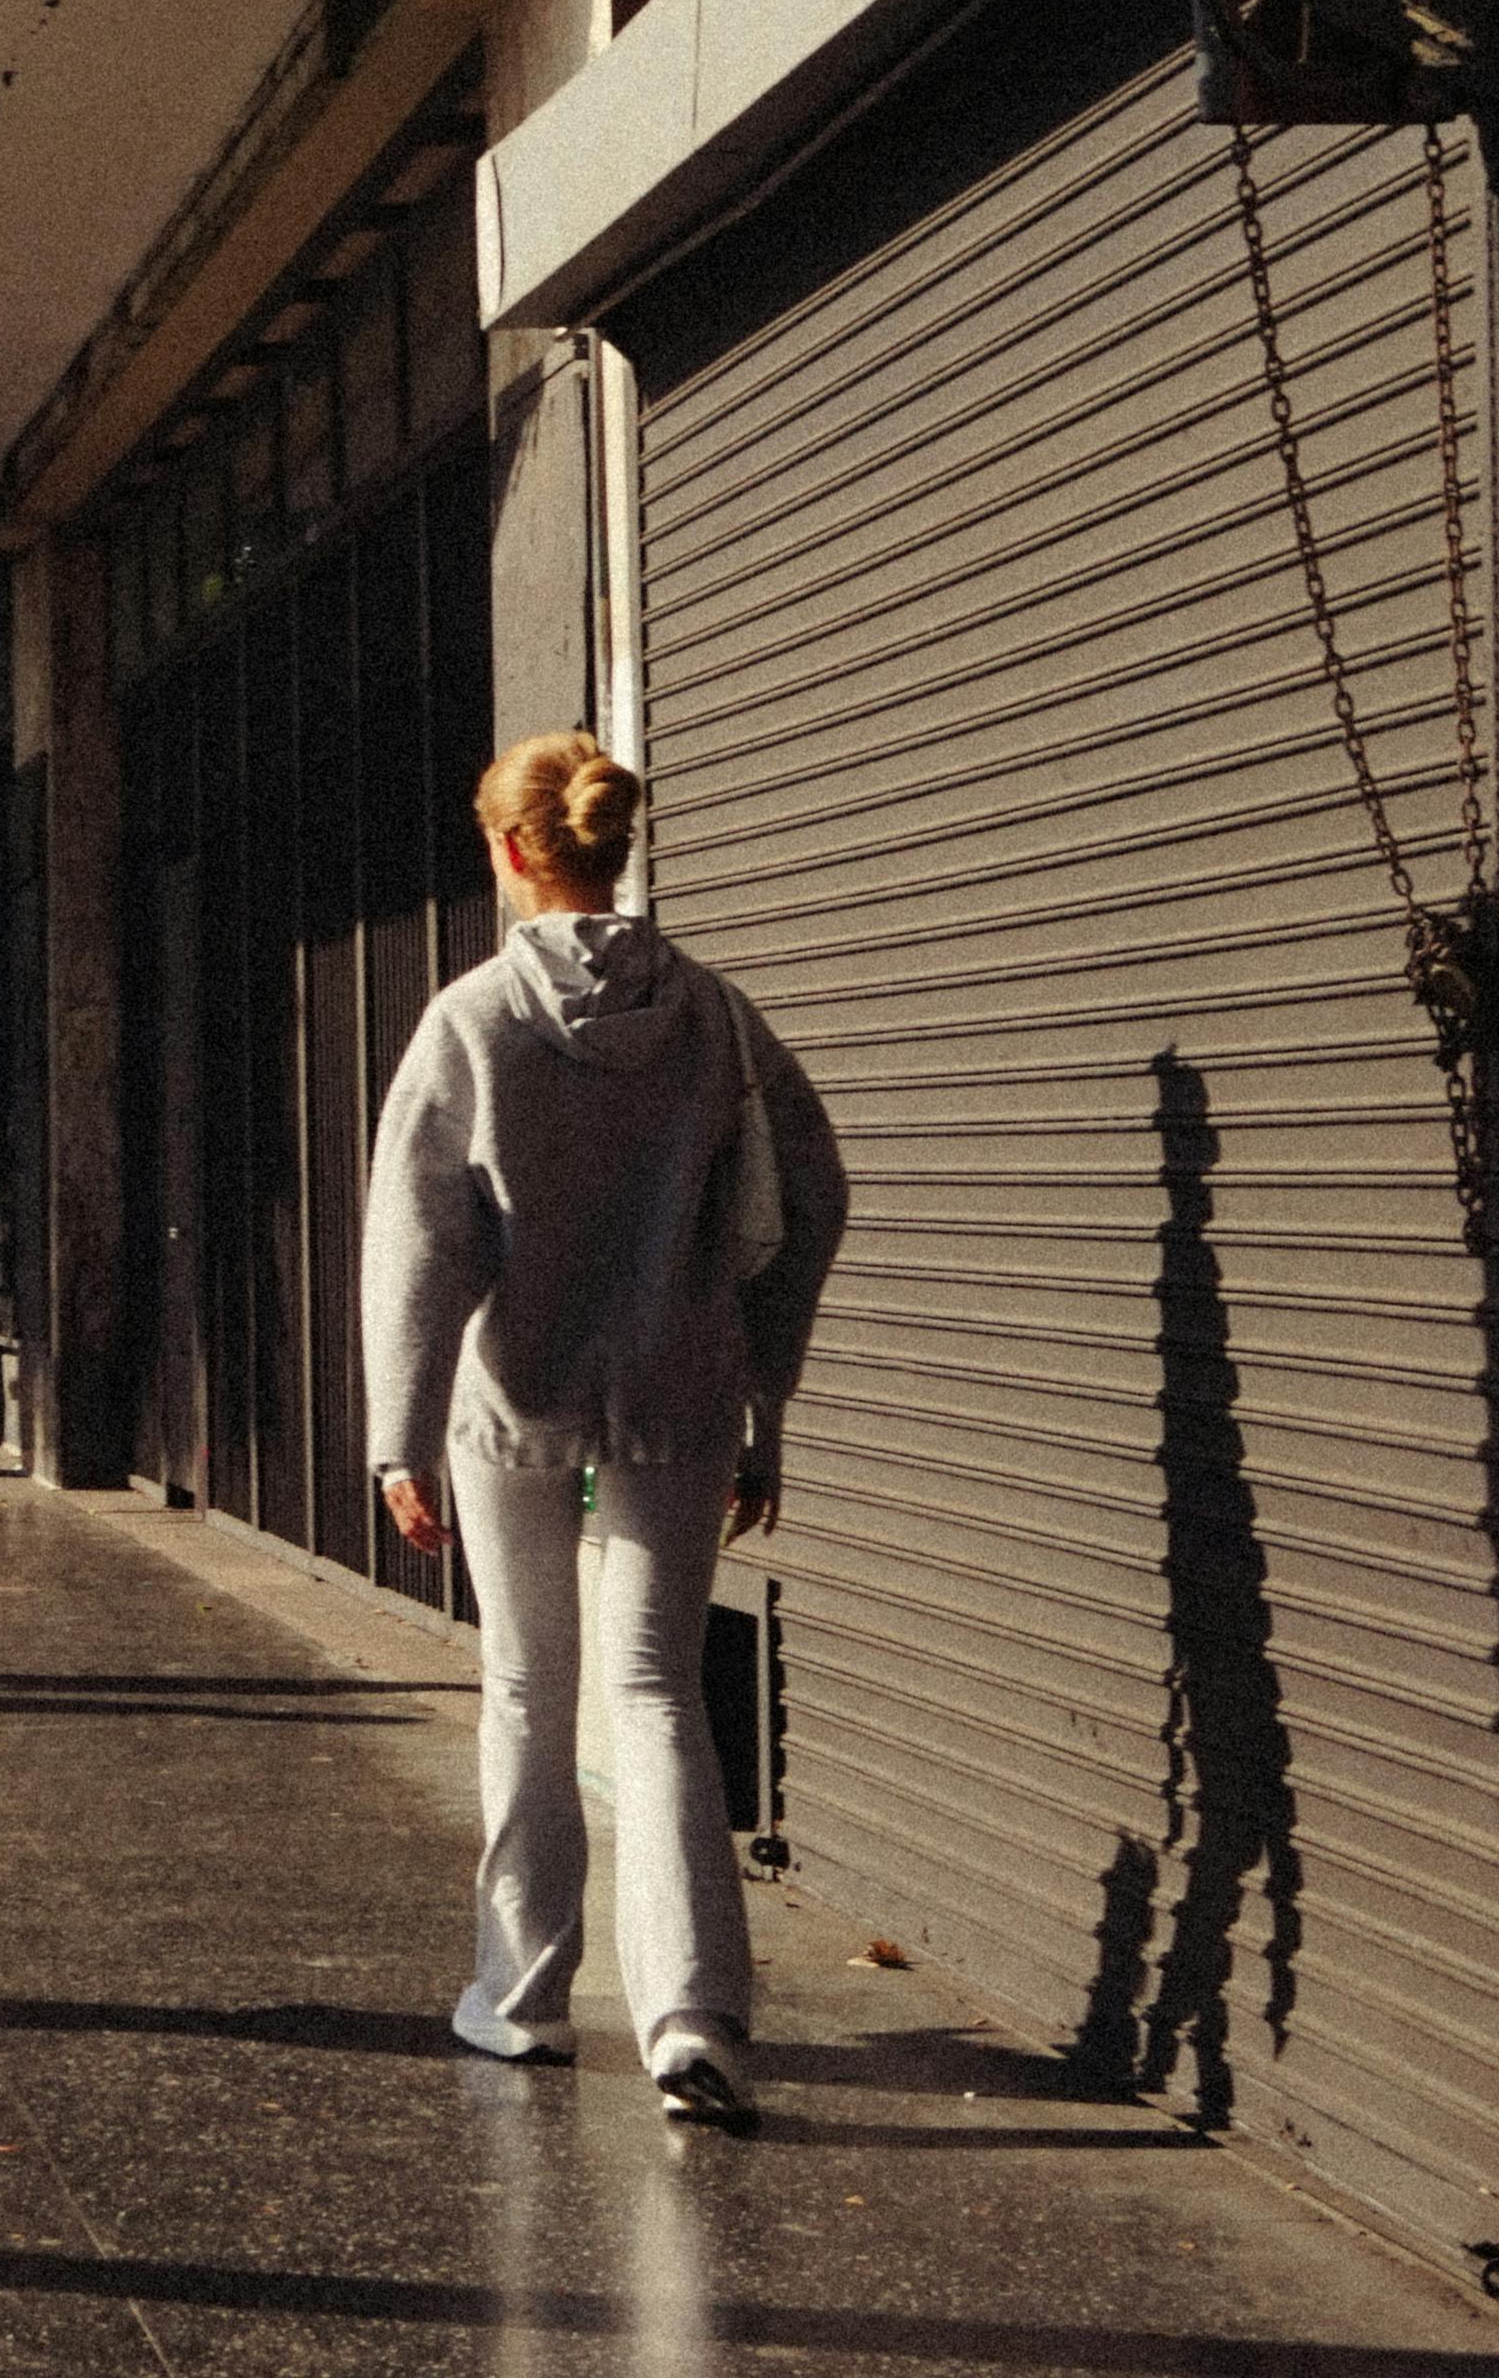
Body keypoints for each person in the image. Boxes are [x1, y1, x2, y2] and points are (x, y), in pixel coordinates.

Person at [362, 728, 848, 2133]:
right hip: (685, 1392)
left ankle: (519, 2000)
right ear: (613, 844)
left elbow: (421, 1239)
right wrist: (767, 1386)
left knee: (525, 1686)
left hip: (515, 1398)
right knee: (656, 1693)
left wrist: (398, 1430)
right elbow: (812, 1195)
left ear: (512, 852)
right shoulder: (713, 1015)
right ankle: (694, 2017)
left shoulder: (473, 1019)